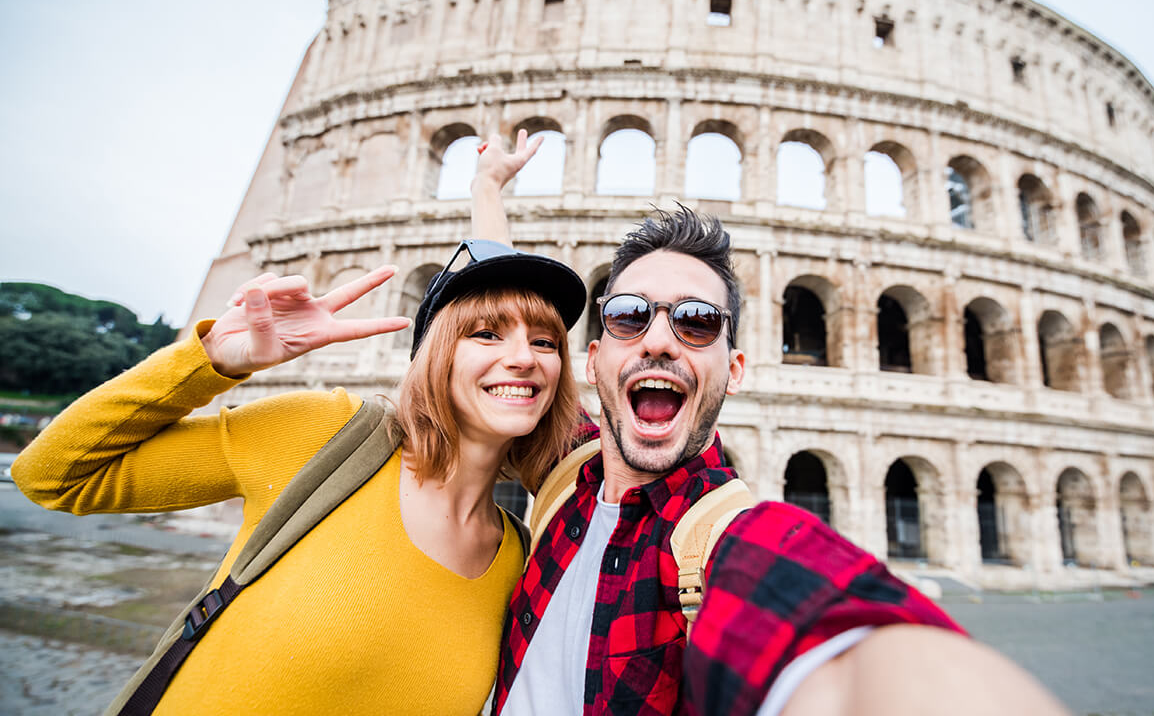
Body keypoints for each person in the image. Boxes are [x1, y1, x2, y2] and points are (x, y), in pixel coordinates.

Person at [468, 139, 1069, 716]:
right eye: (630, 315)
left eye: (697, 321)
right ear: (594, 359)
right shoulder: (565, 469)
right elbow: (503, 308)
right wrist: (488, 188)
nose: (657, 340)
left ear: (734, 370)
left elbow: (854, 650)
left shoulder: (732, 541)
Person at [12, 133, 587, 715]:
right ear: (435, 356)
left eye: (546, 342)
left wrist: (487, 190)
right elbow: (54, 476)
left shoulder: (518, 558)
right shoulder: (326, 436)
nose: (524, 357)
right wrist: (206, 362)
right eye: (485, 334)